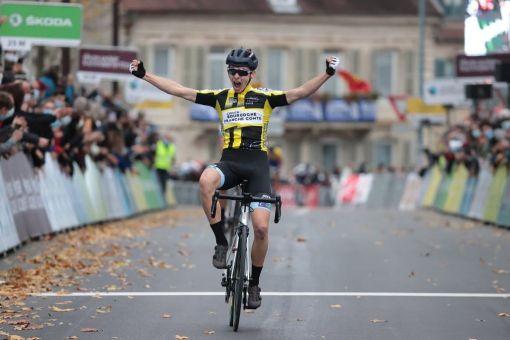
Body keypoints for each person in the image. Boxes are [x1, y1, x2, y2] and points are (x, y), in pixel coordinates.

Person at [130, 48, 339, 309]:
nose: (236, 77)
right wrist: (144, 74)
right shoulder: (220, 98)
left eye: (242, 72)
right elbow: (179, 90)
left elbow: (300, 92)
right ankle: (221, 241)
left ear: (251, 74)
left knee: (261, 228)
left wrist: (328, 74)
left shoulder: (265, 98)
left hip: (257, 167)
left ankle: (254, 285)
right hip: (230, 162)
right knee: (206, 181)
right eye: (232, 72)